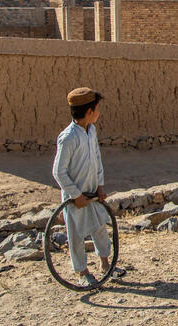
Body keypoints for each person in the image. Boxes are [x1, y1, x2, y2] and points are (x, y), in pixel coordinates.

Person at [52, 87, 125, 286]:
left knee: (100, 227)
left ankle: (105, 264)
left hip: (92, 193)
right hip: (76, 198)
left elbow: (97, 160)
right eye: (97, 109)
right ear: (89, 111)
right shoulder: (68, 138)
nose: (99, 112)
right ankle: (83, 273)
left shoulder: (91, 131)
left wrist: (100, 186)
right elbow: (59, 171)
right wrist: (75, 195)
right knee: (75, 235)